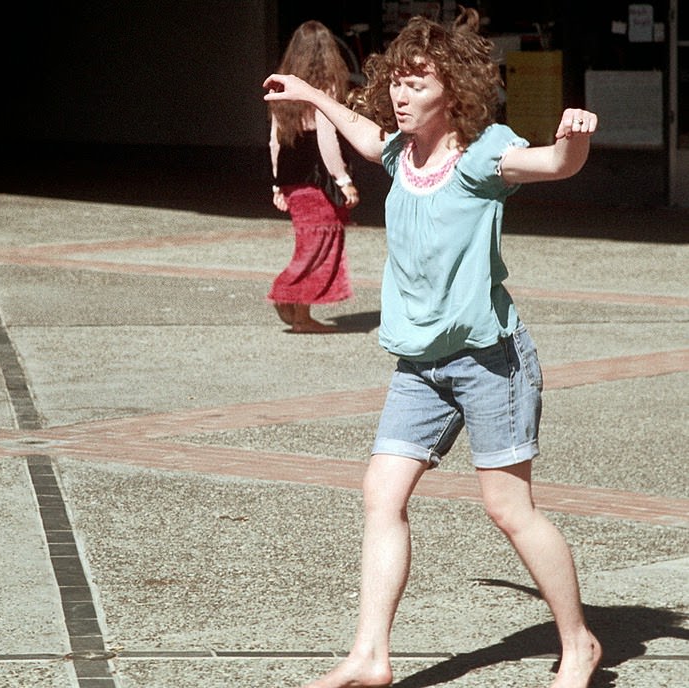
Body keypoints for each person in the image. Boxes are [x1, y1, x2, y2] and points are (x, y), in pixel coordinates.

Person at [263, 8, 601, 688]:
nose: (401, 94)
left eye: (418, 84)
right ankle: (370, 657)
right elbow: (363, 134)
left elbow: (550, 164)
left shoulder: (480, 157)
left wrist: (574, 142)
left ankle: (580, 645)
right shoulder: (400, 151)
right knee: (380, 494)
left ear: (454, 92)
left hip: (488, 358)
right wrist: (310, 96)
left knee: (508, 509)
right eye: (397, 82)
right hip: (420, 363)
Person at [267, 20, 360, 334]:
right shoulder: (325, 86)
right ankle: (290, 300)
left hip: (292, 177)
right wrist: (342, 178)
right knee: (319, 244)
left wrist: (278, 183)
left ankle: (299, 311)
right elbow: (326, 138)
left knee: (310, 243)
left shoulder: (282, 86)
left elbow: (275, 140)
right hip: (317, 177)